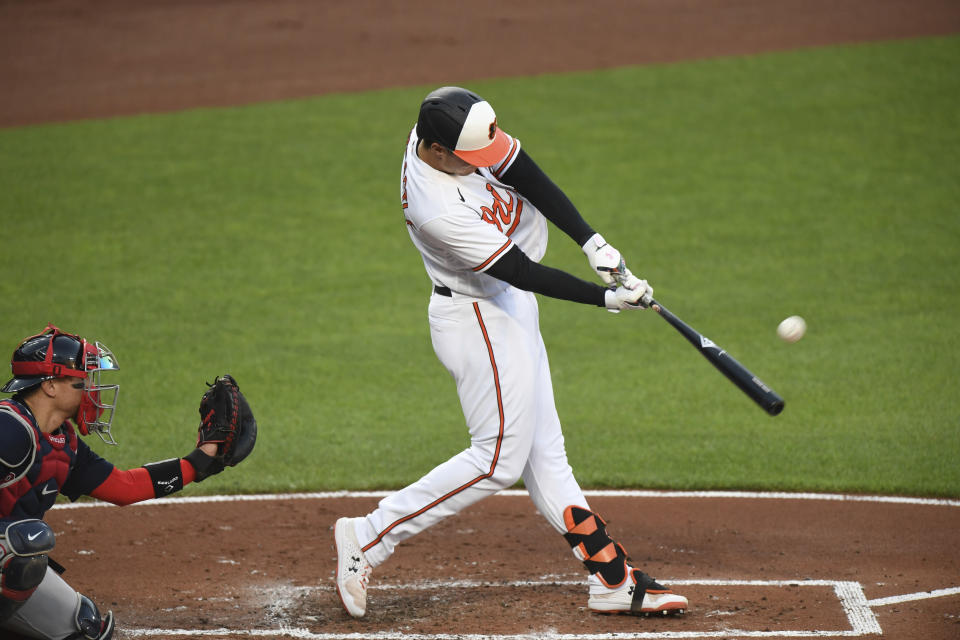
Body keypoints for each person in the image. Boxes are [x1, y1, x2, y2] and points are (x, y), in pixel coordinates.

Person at [334, 86, 688, 619]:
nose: (485, 163)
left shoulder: (455, 127)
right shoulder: (435, 208)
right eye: (470, 161)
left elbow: (523, 171)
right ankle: (367, 535)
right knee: (498, 458)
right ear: (433, 151)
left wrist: (593, 243)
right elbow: (518, 270)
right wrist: (606, 297)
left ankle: (612, 580)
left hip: (509, 307)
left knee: (547, 456)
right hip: (478, 318)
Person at [0, 324, 235, 639]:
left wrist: (201, 460)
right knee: (26, 541)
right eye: (81, 383)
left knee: (85, 628)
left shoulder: (62, 443)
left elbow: (125, 487)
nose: (91, 392)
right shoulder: (9, 428)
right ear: (51, 386)